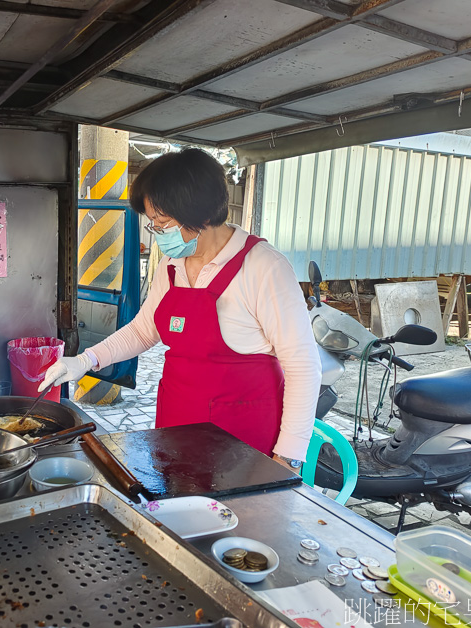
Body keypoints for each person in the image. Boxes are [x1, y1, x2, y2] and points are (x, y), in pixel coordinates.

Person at [39, 149, 321, 471]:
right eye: (153, 223)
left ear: (200, 214)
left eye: (164, 222)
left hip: (241, 438)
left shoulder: (264, 267)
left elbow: (303, 367)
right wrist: (84, 360)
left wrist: (289, 455)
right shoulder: (172, 267)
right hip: (176, 424)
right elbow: (143, 330)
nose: (158, 232)